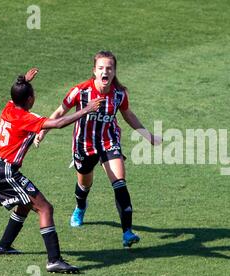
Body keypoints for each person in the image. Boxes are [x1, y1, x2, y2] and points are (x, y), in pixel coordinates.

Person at [34, 51, 161, 248]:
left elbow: (128, 115)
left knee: (120, 182)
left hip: (109, 142)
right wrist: (42, 130)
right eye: (101, 68)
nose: (105, 71)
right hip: (84, 145)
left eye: (109, 68)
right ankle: (80, 207)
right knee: (84, 184)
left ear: (114, 71)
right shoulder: (80, 91)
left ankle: (127, 232)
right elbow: (60, 111)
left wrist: (148, 136)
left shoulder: (119, 94)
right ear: (94, 71)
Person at [0, 68, 103, 274]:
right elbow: (57, 123)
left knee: (24, 204)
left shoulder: (10, 107)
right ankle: (54, 260)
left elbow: (17, 94)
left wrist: (23, 81)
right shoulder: (25, 118)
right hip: (5, 171)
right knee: (45, 208)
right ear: (30, 99)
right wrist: (86, 109)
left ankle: (3, 246)